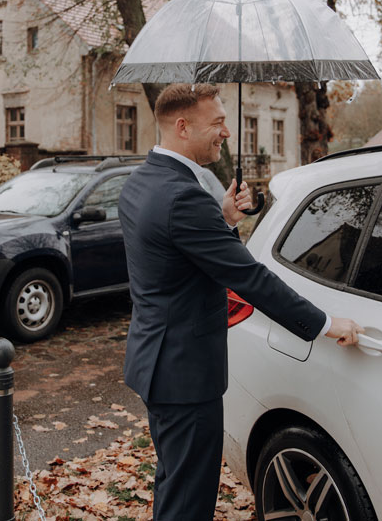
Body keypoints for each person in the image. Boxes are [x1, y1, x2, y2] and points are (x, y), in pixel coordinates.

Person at [117, 83, 364, 520]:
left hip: (154, 361)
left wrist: (225, 220)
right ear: (182, 126)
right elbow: (248, 277)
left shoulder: (141, 182)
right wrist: (326, 323)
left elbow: (179, 260)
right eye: (217, 123)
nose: (227, 132)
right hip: (186, 374)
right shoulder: (184, 196)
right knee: (189, 500)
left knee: (175, 482)